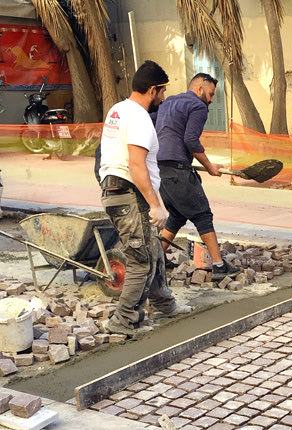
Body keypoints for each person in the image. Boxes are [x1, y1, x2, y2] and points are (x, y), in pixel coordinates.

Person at [98, 60, 191, 337]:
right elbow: (136, 165)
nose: (163, 97)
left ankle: (164, 303)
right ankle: (123, 320)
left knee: (152, 250)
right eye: (162, 91)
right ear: (152, 90)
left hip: (115, 190)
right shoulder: (139, 117)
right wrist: (155, 204)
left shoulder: (118, 109)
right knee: (141, 259)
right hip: (130, 194)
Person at [155, 73, 241, 281]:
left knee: (176, 215)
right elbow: (191, 140)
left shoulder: (169, 102)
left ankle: (156, 258)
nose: (212, 100)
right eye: (211, 94)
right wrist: (210, 166)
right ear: (200, 89)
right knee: (203, 215)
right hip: (177, 170)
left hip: (160, 169)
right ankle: (219, 266)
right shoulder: (198, 107)